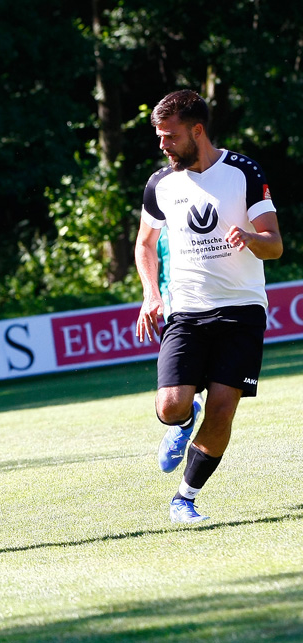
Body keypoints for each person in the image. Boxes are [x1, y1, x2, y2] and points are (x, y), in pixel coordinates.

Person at [135, 89, 282, 524]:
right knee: (170, 406)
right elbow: (145, 242)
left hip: (241, 309)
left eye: (170, 136)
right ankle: (182, 424)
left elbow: (275, 245)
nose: (162, 145)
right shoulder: (161, 183)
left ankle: (185, 497)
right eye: (159, 136)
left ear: (196, 131)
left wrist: (252, 239)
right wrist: (150, 293)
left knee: (222, 408)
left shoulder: (243, 172)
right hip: (187, 312)